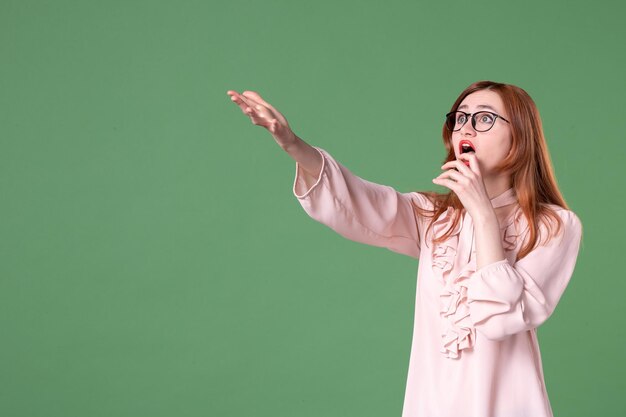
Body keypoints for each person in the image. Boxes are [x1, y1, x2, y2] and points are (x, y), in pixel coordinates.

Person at [226, 81, 583, 417]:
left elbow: (501, 320)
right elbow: (361, 202)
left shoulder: (554, 226)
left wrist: (484, 216)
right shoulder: (435, 218)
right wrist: (292, 144)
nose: (466, 128)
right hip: (431, 402)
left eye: (484, 118)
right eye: (459, 118)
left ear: (519, 136)